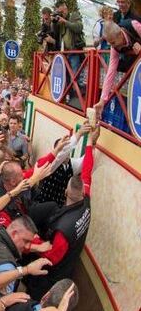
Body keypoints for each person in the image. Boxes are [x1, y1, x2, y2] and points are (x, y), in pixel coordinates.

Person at [25, 125, 98, 300]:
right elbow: (87, 171)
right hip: (52, 216)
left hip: (54, 272)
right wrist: (89, 143)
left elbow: (51, 257)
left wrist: (34, 244)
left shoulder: (63, 229)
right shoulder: (86, 200)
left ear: (66, 192)